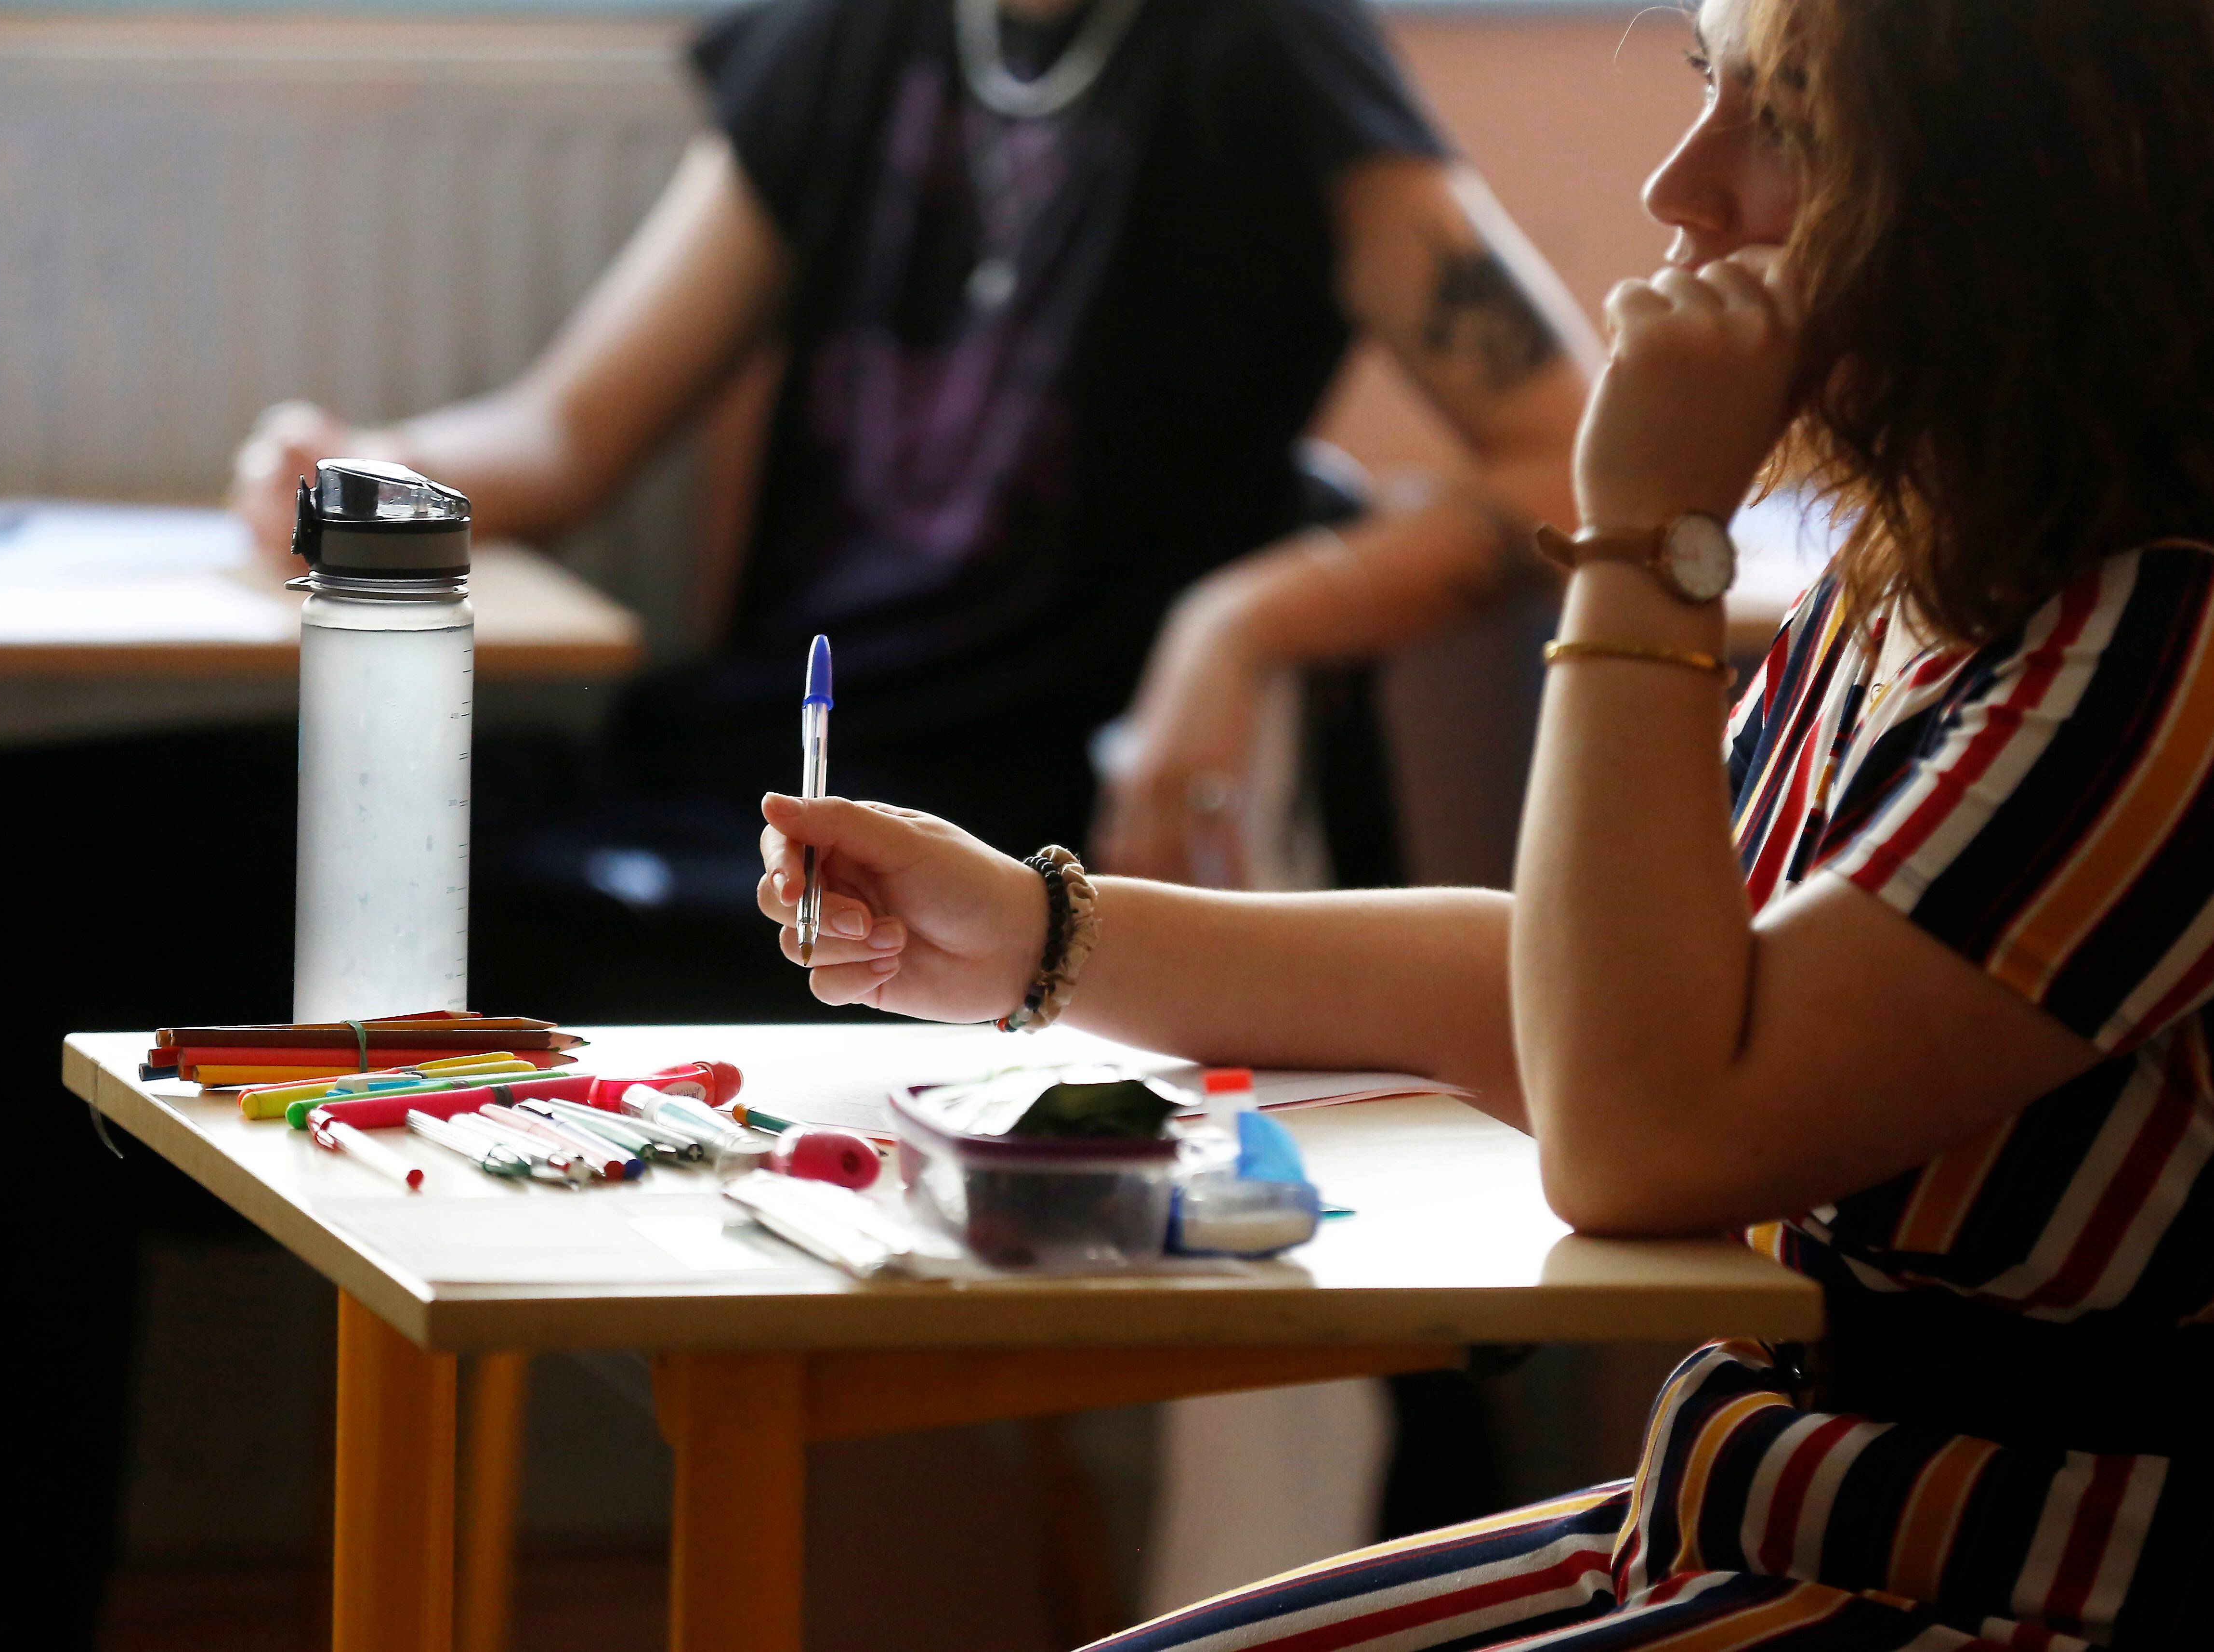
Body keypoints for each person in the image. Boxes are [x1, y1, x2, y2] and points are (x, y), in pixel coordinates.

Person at [751, 0, 2214, 1641]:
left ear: (2025, 192)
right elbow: (1601, 1002)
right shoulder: (1939, 578)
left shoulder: (2161, 656)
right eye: (1700, 88)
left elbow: (1637, 1131)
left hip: (2009, 1580)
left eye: (1786, 119)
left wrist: (1643, 541)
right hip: (1747, 1512)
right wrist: (1034, 933)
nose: (1681, 187)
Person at [228, 0, 1594, 896]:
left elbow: (1579, 464)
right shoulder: (849, 33)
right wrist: (356, 476)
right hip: (732, 780)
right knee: (71, 851)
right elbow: (565, 433)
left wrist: (1239, 622)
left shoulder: (1263, 48)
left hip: (973, 863)